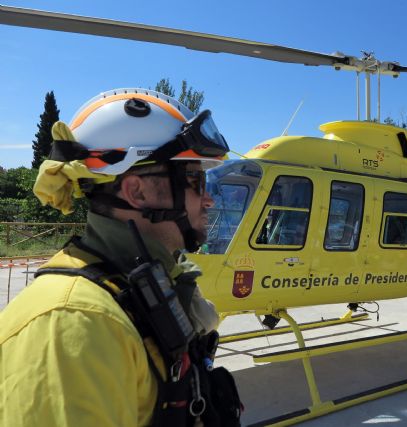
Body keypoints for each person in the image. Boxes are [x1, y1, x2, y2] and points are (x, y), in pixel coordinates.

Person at [0, 88, 241, 426]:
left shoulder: (143, 285)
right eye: (195, 180)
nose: (209, 200)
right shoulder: (72, 323)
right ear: (137, 191)